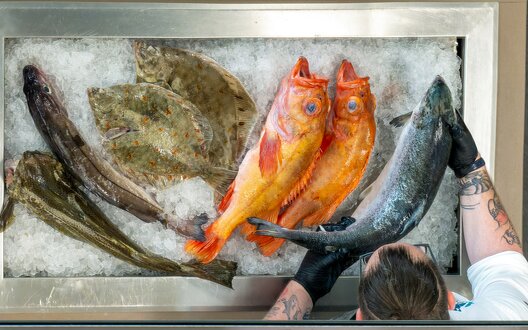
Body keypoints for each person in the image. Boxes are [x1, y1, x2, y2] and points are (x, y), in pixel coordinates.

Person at [264, 111, 528, 320]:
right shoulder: (501, 318)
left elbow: (503, 266)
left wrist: (306, 285)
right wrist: (470, 166)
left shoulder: (502, 319)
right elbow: (500, 262)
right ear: (449, 302)